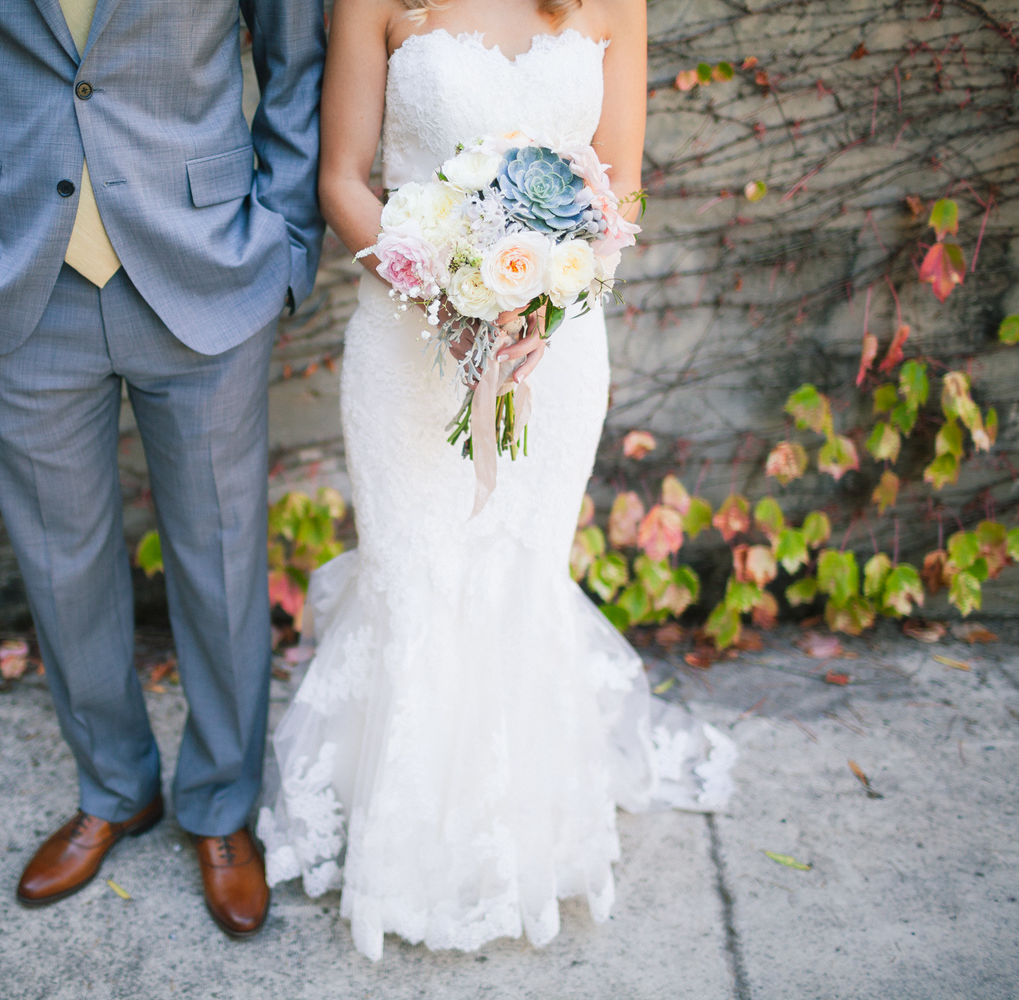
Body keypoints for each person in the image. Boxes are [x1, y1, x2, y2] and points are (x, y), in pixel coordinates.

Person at [257, 0, 737, 960]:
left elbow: (623, 190)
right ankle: (406, 847)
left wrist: (544, 300)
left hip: (554, 353)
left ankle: (518, 836)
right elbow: (342, 179)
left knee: (520, 571)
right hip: (407, 340)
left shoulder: (612, 3)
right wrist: (449, 294)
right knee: (419, 573)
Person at [0, 0, 325, 938]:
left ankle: (221, 806)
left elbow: (297, 61)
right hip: (12, 272)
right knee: (60, 565)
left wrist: (281, 243)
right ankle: (115, 786)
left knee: (222, 557)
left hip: (206, 264)